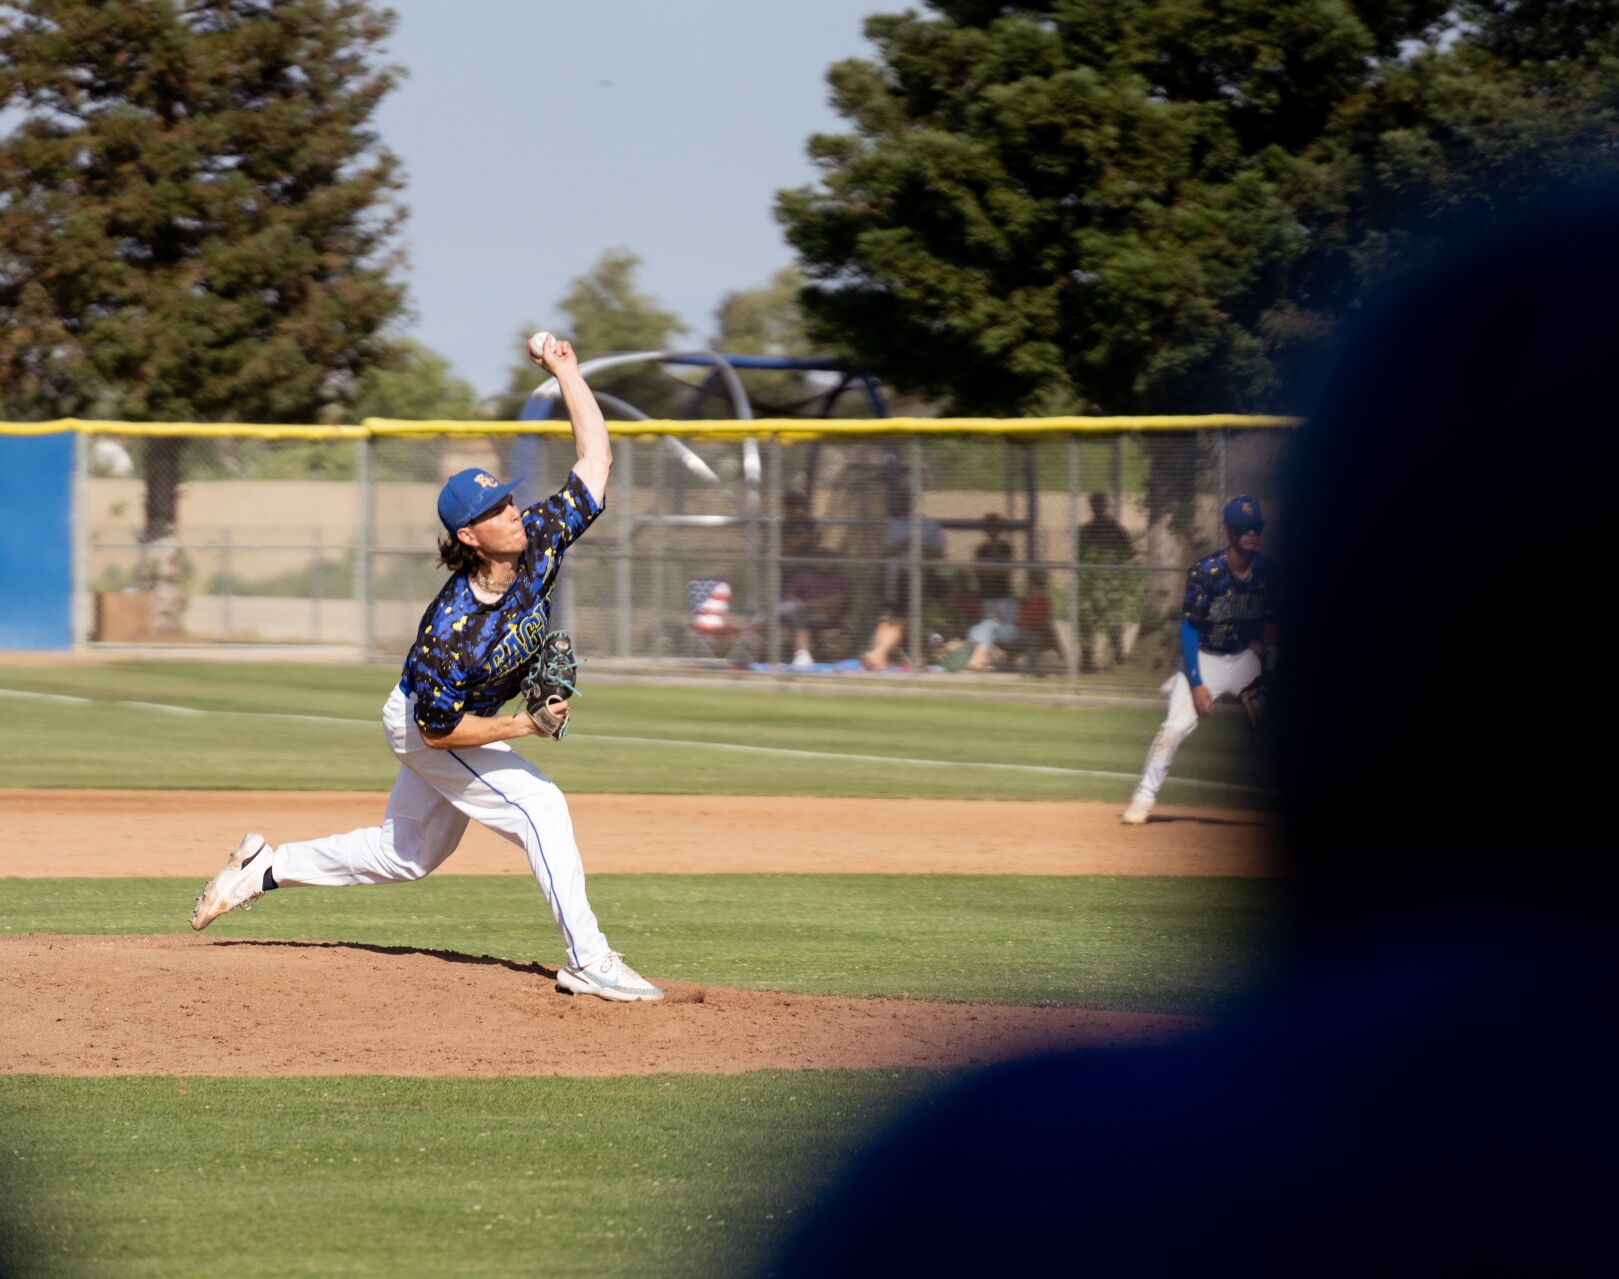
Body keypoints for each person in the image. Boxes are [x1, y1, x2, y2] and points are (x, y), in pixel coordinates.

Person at [188, 336, 663, 1002]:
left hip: (445, 717)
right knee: (540, 806)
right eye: (496, 510)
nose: (512, 511)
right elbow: (441, 734)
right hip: (426, 722)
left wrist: (566, 372)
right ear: (470, 535)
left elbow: (596, 458)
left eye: (508, 499)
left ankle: (264, 867)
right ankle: (587, 959)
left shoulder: (539, 538)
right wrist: (525, 726)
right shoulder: (450, 630)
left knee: (407, 854)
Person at [1121, 496, 1276, 825]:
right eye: (1245, 528)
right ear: (1228, 531)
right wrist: (1195, 683)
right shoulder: (1206, 573)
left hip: (1245, 657)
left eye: (1257, 528)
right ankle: (1144, 796)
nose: (1252, 534)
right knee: (1173, 729)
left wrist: (1266, 671)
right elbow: (1189, 630)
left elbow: (1271, 624)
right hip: (1204, 658)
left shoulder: (1266, 571)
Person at [860, 487, 946, 670]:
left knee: (903, 619)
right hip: (897, 577)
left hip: (922, 576)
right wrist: (905, 543)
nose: (905, 503)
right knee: (891, 619)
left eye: (908, 499)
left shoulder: (930, 524)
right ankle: (879, 653)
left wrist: (921, 547)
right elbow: (886, 551)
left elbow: (939, 553)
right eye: (902, 499)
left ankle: (878, 654)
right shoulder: (894, 524)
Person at [1076, 492, 1138, 670]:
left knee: (1112, 621)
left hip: (1111, 583)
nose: (1098, 508)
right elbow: (1078, 556)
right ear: (1092, 506)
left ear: (1106, 506)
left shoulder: (1117, 530)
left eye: (1101, 504)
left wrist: (1120, 575)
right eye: (1095, 504)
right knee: (1086, 619)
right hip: (1090, 582)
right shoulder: (1085, 531)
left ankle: (1118, 656)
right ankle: (1086, 659)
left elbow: (1129, 554)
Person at [779, 544, 852, 666]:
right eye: (820, 558)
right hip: (799, 611)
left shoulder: (841, 578)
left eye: (828, 558)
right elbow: (791, 597)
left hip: (825, 615)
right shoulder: (803, 576)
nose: (824, 561)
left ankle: (802, 655)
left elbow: (839, 600)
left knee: (798, 611)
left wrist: (810, 605)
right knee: (782, 610)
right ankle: (764, 653)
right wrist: (803, 605)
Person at [971, 513, 1015, 627]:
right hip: (987, 595)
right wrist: (995, 570)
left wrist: (989, 571)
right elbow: (978, 572)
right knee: (988, 627)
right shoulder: (982, 549)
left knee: (1006, 628)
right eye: (989, 528)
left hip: (1003, 595)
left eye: (995, 528)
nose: (992, 531)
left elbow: (1006, 571)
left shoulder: (1005, 547)